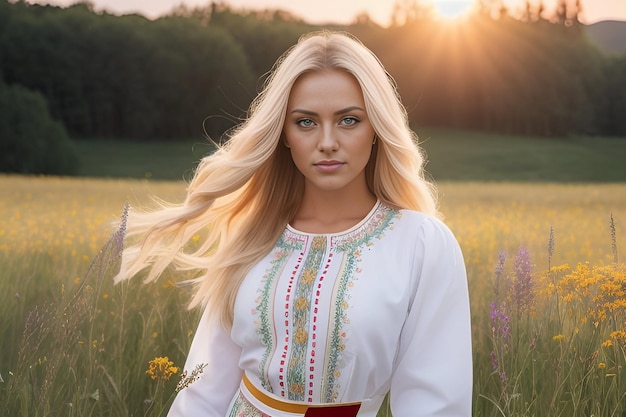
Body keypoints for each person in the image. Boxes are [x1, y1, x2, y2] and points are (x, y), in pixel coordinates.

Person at [115, 30, 472, 417]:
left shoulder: (420, 243)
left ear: (376, 130)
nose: (328, 141)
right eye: (305, 123)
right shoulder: (252, 237)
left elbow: (435, 402)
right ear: (283, 134)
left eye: (349, 120)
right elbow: (203, 387)